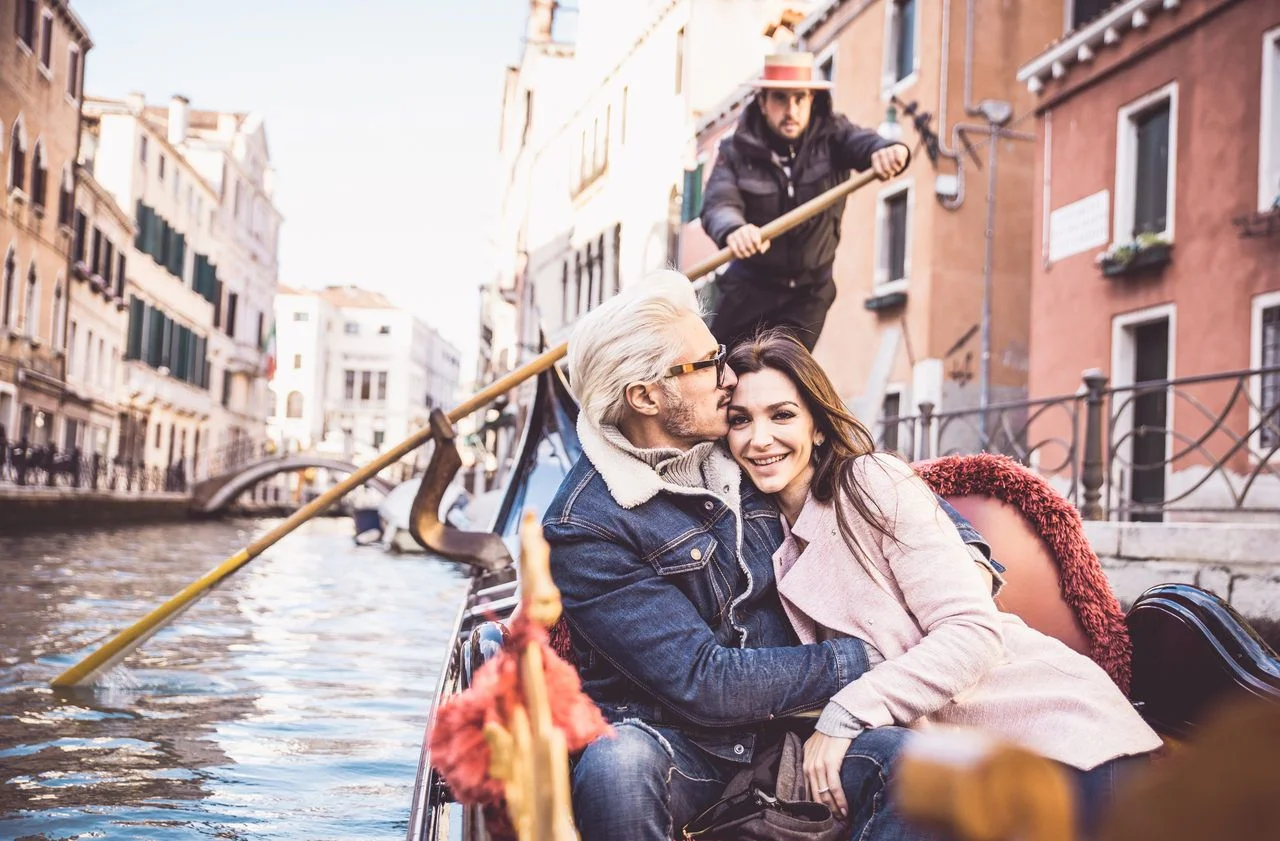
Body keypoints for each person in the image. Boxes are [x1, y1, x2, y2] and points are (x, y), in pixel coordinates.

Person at [541, 270, 992, 841]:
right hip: (687, 750)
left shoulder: (741, 445)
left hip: (801, 731)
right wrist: (865, 657)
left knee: (915, 765)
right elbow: (703, 681)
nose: (728, 376)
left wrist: (966, 562)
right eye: (707, 363)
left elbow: (863, 477)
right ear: (646, 396)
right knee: (618, 767)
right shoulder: (586, 526)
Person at [723, 328, 1165, 837]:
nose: (759, 438)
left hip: (1058, 740)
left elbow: (971, 632)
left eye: (782, 415)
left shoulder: (871, 481)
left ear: (818, 427)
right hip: (960, 767)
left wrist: (846, 713)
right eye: (740, 420)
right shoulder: (763, 539)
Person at [699, 50, 910, 352]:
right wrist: (735, 229)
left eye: (800, 98)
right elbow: (719, 202)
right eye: (780, 99)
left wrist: (889, 150)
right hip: (749, 287)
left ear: (812, 100)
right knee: (718, 365)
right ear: (763, 102)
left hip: (808, 295)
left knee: (786, 369)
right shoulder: (735, 149)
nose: (791, 110)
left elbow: (865, 144)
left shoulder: (833, 135)